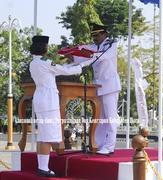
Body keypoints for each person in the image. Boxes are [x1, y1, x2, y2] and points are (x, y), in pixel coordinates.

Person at [29, 35, 93, 177]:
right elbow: (65, 71)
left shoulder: (34, 62)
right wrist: (83, 65)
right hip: (48, 100)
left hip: (40, 98)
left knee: (43, 135)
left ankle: (42, 167)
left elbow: (59, 68)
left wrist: (73, 64)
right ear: (44, 48)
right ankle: (44, 168)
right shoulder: (45, 62)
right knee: (48, 136)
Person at [72, 23, 121, 155]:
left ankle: (109, 146)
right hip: (97, 86)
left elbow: (101, 56)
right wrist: (71, 55)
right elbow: (81, 53)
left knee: (110, 118)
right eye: (93, 35)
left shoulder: (111, 45)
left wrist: (83, 58)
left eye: (97, 35)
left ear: (104, 34)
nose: (95, 38)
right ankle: (98, 144)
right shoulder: (94, 47)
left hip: (110, 86)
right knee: (99, 118)